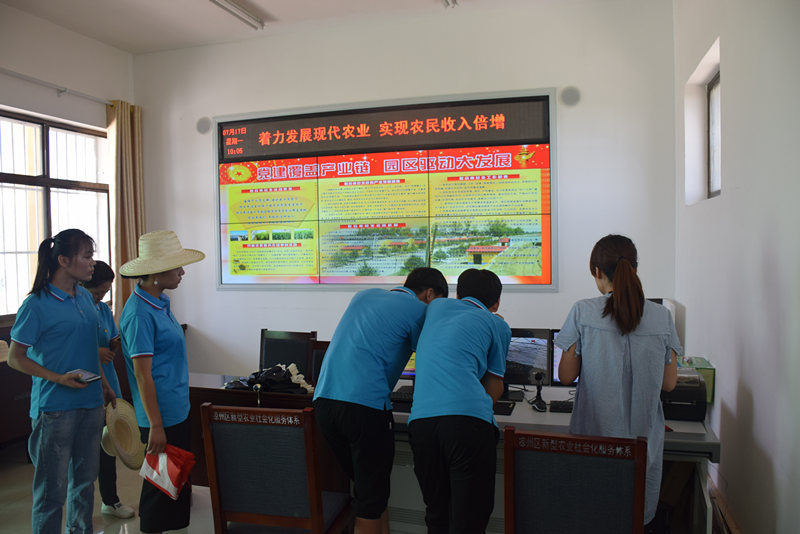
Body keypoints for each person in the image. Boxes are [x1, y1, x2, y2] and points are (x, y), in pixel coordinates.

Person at [555, 234, 680, 527]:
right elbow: (669, 383)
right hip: (642, 443)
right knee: (633, 516)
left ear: (597, 271)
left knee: (593, 515)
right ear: (634, 268)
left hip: (595, 441)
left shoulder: (583, 311)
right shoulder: (662, 317)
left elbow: (566, 376)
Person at [313, 267, 449, 534]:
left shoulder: (363, 295)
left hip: (325, 402)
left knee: (371, 491)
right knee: (370, 502)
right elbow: (434, 355)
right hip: (364, 407)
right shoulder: (419, 311)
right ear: (430, 294)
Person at [7, 229, 115, 534]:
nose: (92, 262)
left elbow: (89, 348)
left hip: (90, 403)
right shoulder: (36, 304)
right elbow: (16, 358)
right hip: (55, 408)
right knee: (51, 491)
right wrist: (57, 378)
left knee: (84, 483)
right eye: (87, 256)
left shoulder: (85, 297)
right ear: (64, 260)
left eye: (92, 256)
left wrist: (105, 386)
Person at [407, 268, 510, 534]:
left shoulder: (435, 308)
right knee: (469, 521)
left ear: (458, 294)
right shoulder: (496, 324)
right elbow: (494, 386)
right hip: (466, 426)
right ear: (497, 302)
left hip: (421, 424)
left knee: (437, 515)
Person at [119, 230, 204, 534]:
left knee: (173, 487)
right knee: (159, 488)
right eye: (177, 267)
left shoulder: (159, 302)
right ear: (156, 273)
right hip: (160, 416)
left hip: (175, 409)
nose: (182, 272)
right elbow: (143, 375)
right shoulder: (139, 314)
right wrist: (155, 425)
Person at [81, 260, 136, 519]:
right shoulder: (77, 310)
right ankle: (80, 512)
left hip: (109, 385)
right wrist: (96, 352)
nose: (102, 297)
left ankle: (110, 501)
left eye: (105, 292)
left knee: (108, 446)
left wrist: (114, 344)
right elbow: (74, 347)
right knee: (84, 454)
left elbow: (111, 337)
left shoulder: (103, 309)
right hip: (85, 389)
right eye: (97, 292)